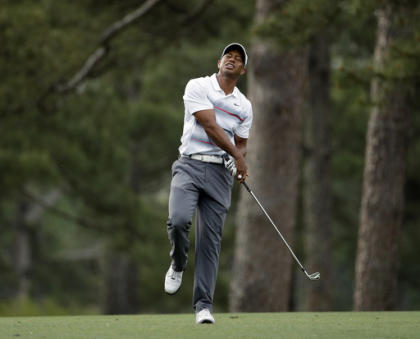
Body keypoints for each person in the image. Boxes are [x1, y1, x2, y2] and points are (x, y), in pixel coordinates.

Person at [164, 43, 253, 324]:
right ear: (219, 62)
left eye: (238, 59)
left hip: (219, 176)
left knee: (210, 242)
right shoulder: (198, 86)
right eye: (229, 56)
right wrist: (237, 157)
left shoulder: (245, 106)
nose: (232, 60)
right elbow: (210, 126)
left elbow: (242, 143)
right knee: (178, 220)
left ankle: (204, 306)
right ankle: (178, 262)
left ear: (243, 70)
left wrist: (236, 160)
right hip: (189, 165)